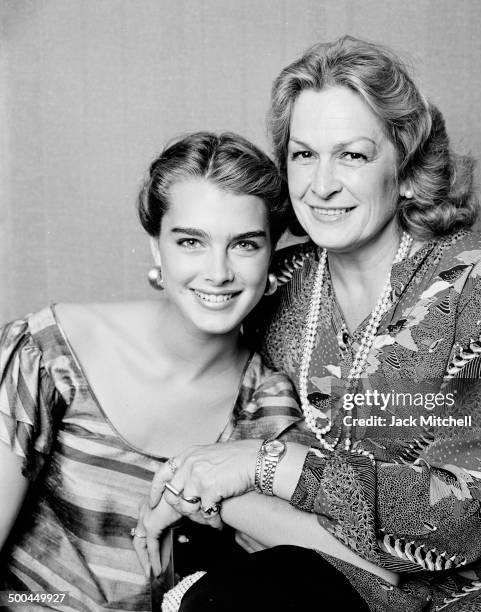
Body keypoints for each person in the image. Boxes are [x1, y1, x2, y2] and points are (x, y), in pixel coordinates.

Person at [139, 37, 481, 612]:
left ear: (405, 170)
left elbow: (462, 521)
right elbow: (192, 319)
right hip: (351, 569)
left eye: (351, 155)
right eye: (303, 155)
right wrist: (198, 487)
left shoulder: (479, 277)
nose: (320, 185)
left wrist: (263, 467)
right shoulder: (282, 286)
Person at [0, 131, 311, 611]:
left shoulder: (265, 408)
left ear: (271, 254)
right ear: (156, 248)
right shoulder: (51, 353)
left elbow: (341, 572)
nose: (218, 271)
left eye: (245, 244)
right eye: (191, 241)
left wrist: (201, 495)